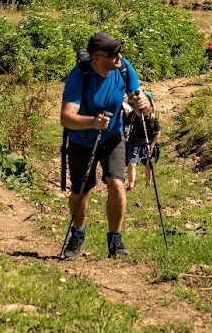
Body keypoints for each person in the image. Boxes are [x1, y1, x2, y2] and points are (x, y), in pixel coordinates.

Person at [60, 31, 150, 260]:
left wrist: (143, 103)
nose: (119, 56)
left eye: (119, 51)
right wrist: (92, 122)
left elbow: (138, 99)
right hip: (81, 140)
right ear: (97, 58)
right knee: (81, 191)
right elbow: (66, 117)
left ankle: (115, 240)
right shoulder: (79, 76)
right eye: (112, 54)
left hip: (113, 137)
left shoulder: (122, 68)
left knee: (117, 184)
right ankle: (77, 236)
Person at [124, 91, 160, 191]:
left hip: (147, 142)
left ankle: (148, 184)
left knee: (147, 163)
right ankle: (131, 186)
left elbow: (157, 132)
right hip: (134, 141)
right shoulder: (132, 115)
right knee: (131, 164)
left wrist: (152, 145)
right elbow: (125, 123)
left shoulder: (151, 118)